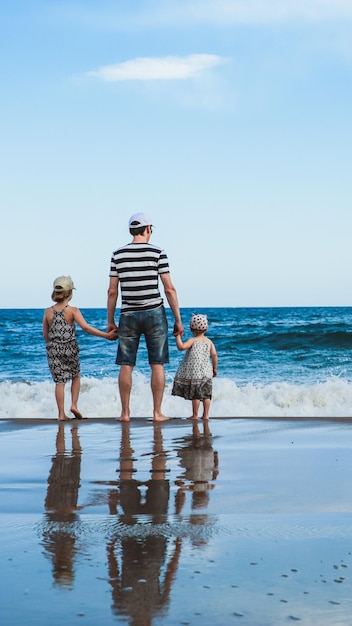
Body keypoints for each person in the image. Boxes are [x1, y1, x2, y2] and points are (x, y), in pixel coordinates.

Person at [107, 212, 184, 422]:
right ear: (148, 229)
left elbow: (112, 291)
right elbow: (169, 289)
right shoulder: (158, 252)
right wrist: (178, 319)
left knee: (126, 364)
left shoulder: (117, 254)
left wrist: (110, 320)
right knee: (156, 364)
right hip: (155, 313)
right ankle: (157, 413)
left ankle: (125, 413)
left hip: (128, 314)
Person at [43, 275, 117, 421]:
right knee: (75, 376)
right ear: (70, 293)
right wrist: (106, 335)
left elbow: (46, 335)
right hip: (70, 348)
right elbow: (86, 328)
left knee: (59, 382)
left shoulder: (48, 312)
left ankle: (61, 414)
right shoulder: (73, 310)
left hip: (53, 349)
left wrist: (53, 347)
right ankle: (74, 405)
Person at [172, 313, 218, 420]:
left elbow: (181, 347)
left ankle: (195, 415)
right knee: (206, 394)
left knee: (196, 395)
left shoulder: (193, 340)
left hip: (196, 373)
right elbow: (214, 355)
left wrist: (177, 336)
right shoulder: (209, 342)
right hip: (207, 372)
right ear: (206, 329)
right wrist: (214, 368)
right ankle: (206, 415)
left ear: (192, 329)